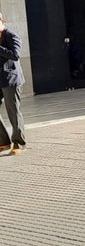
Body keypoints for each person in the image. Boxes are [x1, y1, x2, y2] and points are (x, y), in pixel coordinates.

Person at [0, 12, 27, 155]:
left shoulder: (11, 35)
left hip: (11, 79)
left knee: (13, 111)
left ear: (2, 21)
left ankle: (19, 143)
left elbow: (15, 55)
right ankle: (3, 141)